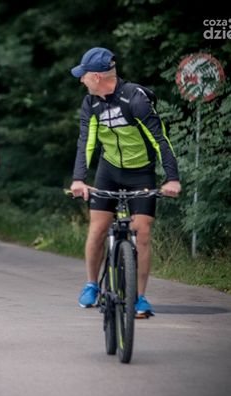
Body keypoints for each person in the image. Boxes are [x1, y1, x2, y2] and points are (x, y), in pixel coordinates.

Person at [69, 47, 181, 316]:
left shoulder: (135, 99)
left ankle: (139, 297)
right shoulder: (91, 103)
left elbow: (160, 140)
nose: (81, 80)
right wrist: (79, 179)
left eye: (84, 75)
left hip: (140, 172)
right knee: (98, 227)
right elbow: (86, 142)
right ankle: (92, 284)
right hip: (108, 170)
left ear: (97, 76)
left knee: (142, 232)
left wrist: (172, 178)